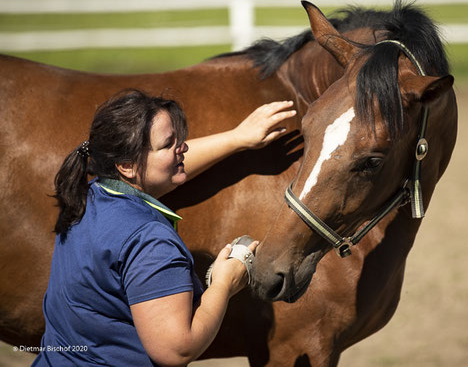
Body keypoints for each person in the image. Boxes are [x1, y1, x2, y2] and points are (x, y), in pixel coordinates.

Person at [32, 89, 296, 366]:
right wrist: (224, 284)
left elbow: (157, 169)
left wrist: (237, 138)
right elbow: (176, 350)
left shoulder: (89, 194)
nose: (183, 147)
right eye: (170, 143)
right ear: (126, 165)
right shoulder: (149, 241)